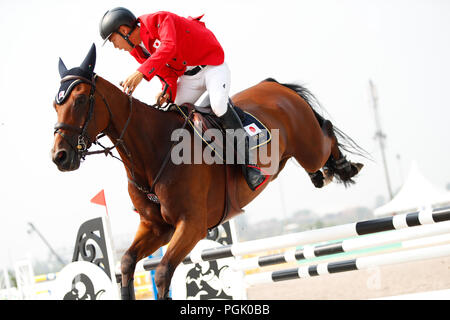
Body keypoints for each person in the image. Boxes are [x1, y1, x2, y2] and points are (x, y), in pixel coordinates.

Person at [99, 7, 267, 191]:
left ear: (123, 30)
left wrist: (141, 73)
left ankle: (251, 166)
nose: (115, 46)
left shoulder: (160, 20)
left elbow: (169, 47)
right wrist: (166, 92)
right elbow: (169, 75)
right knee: (172, 113)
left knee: (219, 106)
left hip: (212, 67)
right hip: (189, 79)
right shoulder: (138, 51)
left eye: (112, 40)